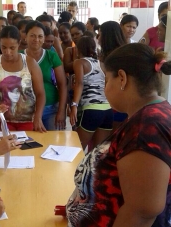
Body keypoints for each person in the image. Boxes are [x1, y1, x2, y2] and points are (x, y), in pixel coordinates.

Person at [66, 43, 171, 227]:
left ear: (122, 78)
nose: (105, 88)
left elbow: (141, 212)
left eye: (106, 80)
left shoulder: (145, 127)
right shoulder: (152, 111)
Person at [0, 25, 46, 132]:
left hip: (28, 120)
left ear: (19, 44)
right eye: (4, 47)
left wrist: (38, 117)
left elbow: (40, 94)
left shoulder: (30, 64)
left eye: (12, 48)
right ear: (0, 43)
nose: (8, 52)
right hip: (4, 121)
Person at [69, 36, 113, 152]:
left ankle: (75, 171)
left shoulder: (79, 63)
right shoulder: (102, 64)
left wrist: (74, 105)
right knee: (97, 154)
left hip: (91, 110)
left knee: (76, 150)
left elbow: (79, 83)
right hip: (107, 111)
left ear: (78, 49)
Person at [21, 21, 67, 130]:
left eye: (40, 36)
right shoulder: (19, 56)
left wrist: (61, 111)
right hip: (25, 111)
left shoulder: (51, 56)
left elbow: (62, 85)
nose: (36, 39)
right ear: (25, 37)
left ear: (44, 38)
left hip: (51, 108)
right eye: (32, 36)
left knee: (51, 144)